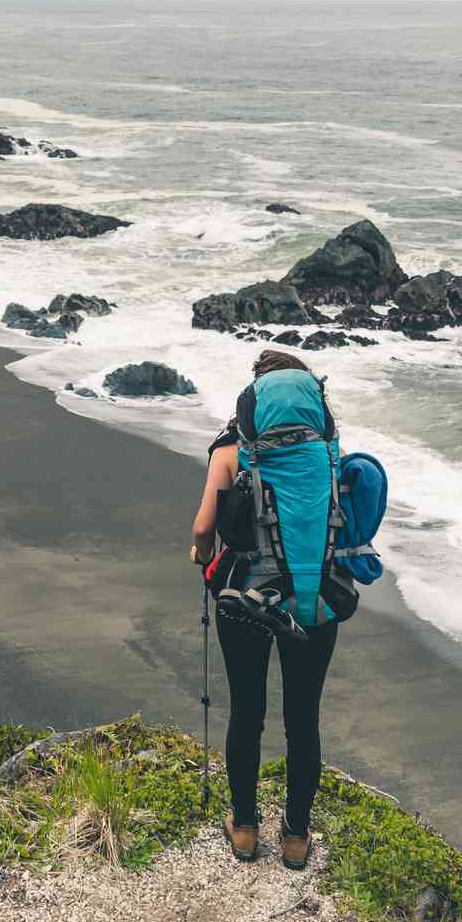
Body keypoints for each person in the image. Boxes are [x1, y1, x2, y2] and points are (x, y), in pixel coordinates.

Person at [188, 349, 341, 871]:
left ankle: (246, 829)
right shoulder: (331, 453)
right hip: (313, 601)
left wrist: (201, 556)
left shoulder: (230, 452)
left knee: (247, 711)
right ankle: (296, 837)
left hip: (244, 604)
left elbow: (203, 530)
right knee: (303, 718)